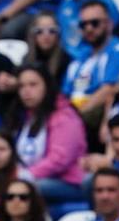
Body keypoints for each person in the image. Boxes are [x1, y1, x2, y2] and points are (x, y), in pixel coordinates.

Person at [11, 64, 86, 206]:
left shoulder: (65, 116)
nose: (26, 91)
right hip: (34, 177)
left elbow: (60, 159)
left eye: (33, 85)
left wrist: (27, 175)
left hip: (67, 182)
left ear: (46, 86)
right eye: (21, 86)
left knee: (23, 190)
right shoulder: (23, 116)